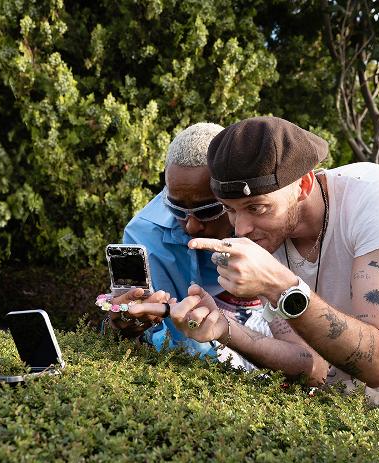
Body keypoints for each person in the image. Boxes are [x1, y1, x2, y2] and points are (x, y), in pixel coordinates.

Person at [163, 116, 379, 424]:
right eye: (230, 210)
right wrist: (224, 329)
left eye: (257, 208)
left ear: (304, 185)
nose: (242, 229)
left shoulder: (374, 197)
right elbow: (313, 367)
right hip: (351, 384)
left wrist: (281, 287)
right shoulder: (267, 238)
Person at [101, 122, 267, 364]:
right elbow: (156, 339)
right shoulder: (145, 234)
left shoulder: (265, 218)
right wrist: (124, 324)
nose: (191, 226)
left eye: (207, 210)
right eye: (177, 208)